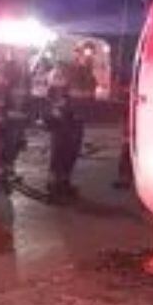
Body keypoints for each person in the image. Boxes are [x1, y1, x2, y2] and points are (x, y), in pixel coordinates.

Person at [46, 42, 99, 200]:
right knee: (60, 151)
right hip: (63, 120)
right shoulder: (65, 70)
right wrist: (57, 113)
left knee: (72, 152)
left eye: (91, 55)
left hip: (78, 121)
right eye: (85, 54)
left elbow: (89, 99)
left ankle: (64, 181)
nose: (88, 58)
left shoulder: (89, 76)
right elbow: (54, 93)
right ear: (77, 54)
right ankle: (54, 183)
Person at [0, 45, 32, 187]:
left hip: (19, 116)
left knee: (14, 145)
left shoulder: (26, 70)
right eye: (22, 51)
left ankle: (7, 170)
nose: (24, 54)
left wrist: (28, 115)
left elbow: (27, 94)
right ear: (14, 53)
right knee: (2, 144)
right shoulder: (7, 70)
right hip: (7, 115)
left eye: (25, 51)